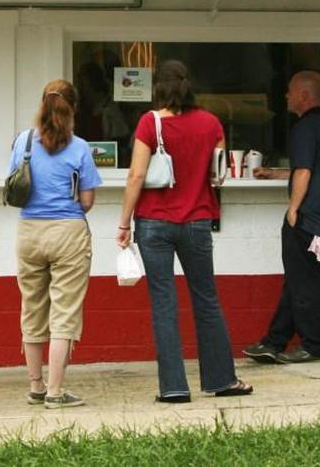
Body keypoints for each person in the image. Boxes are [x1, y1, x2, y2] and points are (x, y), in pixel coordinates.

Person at [117, 60, 251, 402]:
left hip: (153, 223)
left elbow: (136, 175)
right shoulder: (211, 123)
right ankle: (222, 379)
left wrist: (124, 223)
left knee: (164, 303)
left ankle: (174, 387)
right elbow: (219, 174)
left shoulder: (150, 123)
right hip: (197, 221)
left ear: (157, 88)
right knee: (207, 299)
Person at [10, 79, 100, 409]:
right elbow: (87, 200)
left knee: (32, 308)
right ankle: (56, 391)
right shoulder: (79, 148)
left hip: (29, 231)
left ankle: (36, 385)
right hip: (68, 232)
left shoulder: (23, 142)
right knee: (65, 313)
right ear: (73, 108)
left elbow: (14, 186)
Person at [243, 70, 320, 364]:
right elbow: (305, 167)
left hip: (309, 221)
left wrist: (293, 208)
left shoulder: (304, 128)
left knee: (305, 285)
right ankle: (273, 342)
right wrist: (274, 173)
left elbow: (304, 172)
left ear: (303, 95)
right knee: (298, 283)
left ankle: (314, 345)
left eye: (289, 91)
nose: (285, 96)